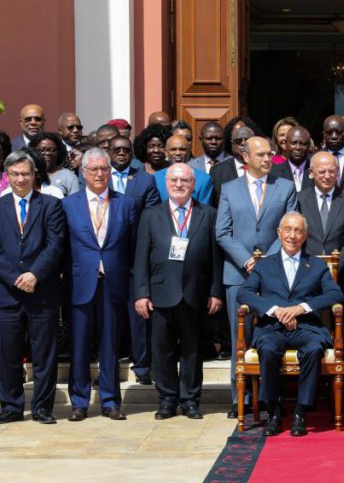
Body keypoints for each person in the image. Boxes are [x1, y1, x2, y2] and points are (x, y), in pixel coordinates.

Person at [237, 212, 343, 436]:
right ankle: (274, 411)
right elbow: (244, 293)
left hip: (306, 327)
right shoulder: (264, 265)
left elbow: (335, 294)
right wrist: (276, 311)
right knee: (267, 349)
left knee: (314, 349)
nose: (292, 236)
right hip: (272, 327)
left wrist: (300, 308)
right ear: (279, 233)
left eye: (298, 231)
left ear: (305, 236)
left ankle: (300, 411)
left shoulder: (315, 265)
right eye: (288, 230)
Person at [133, 163, 223, 420]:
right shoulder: (151, 215)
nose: (179, 185)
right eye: (174, 180)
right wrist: (141, 293)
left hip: (196, 293)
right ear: (166, 183)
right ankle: (167, 400)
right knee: (162, 351)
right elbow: (141, 258)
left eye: (185, 180)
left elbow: (216, 258)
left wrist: (215, 291)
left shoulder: (209, 214)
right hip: (160, 294)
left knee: (193, 350)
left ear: (194, 184)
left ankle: (191, 400)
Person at [216, 135, 297, 418]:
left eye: (270, 154)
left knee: (269, 335)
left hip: (274, 274)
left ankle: (267, 396)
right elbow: (222, 232)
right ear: (245, 156)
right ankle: (240, 397)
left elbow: (289, 227)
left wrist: (266, 262)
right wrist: (248, 261)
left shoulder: (285, 187)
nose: (267, 159)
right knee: (240, 336)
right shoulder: (229, 189)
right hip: (238, 274)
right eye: (261, 154)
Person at [62, 148, 140, 421]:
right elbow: (63, 248)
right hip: (79, 284)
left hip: (114, 283)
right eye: (93, 169)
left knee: (110, 346)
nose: (99, 174)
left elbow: (133, 247)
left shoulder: (126, 203)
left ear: (110, 172)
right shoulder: (68, 204)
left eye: (103, 169)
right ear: (83, 173)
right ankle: (79, 402)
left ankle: (110, 401)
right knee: (80, 346)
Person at [0, 151, 65, 424]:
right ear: (7, 176)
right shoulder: (0, 206)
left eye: (25, 173)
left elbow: (56, 244)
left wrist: (34, 274)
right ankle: (11, 407)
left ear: (34, 174)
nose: (20, 179)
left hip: (42, 293)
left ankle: (42, 408)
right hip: (7, 293)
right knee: (8, 355)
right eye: (14, 174)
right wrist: (17, 277)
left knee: (44, 355)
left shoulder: (50, 205)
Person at [105, 134, 161, 384]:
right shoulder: (98, 177)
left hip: (135, 258)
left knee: (139, 317)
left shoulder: (144, 180)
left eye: (125, 149)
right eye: (116, 149)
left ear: (132, 153)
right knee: (108, 318)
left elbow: (151, 219)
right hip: (104, 259)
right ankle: (108, 367)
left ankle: (142, 367)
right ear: (108, 151)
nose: (120, 153)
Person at [296, 151, 344, 289]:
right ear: (312, 172)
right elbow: (295, 237)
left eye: (331, 171)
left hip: (341, 273)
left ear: (337, 172)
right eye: (322, 172)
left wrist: (335, 264)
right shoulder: (299, 200)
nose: (327, 176)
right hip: (306, 272)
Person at [153, 135, 213, 205]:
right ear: (166, 152)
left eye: (182, 149)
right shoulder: (155, 178)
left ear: (188, 152)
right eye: (173, 149)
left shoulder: (203, 179)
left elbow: (204, 212)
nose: (178, 153)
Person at [210, 124, 256, 207]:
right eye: (238, 141)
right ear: (232, 144)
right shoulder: (217, 172)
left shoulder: (265, 168)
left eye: (247, 140)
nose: (243, 143)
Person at [28, 132, 79, 196]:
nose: (47, 153)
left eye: (52, 150)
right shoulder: (28, 174)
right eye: (42, 150)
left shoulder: (69, 176)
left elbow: (75, 201)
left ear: (58, 152)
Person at [270, 126, 314, 192]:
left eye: (303, 144)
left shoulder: (317, 171)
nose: (298, 147)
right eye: (293, 143)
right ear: (286, 144)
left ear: (309, 146)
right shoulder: (273, 172)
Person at [322, 115, 344, 191]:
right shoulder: (315, 158)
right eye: (329, 132)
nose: (334, 136)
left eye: (339, 132)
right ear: (324, 135)